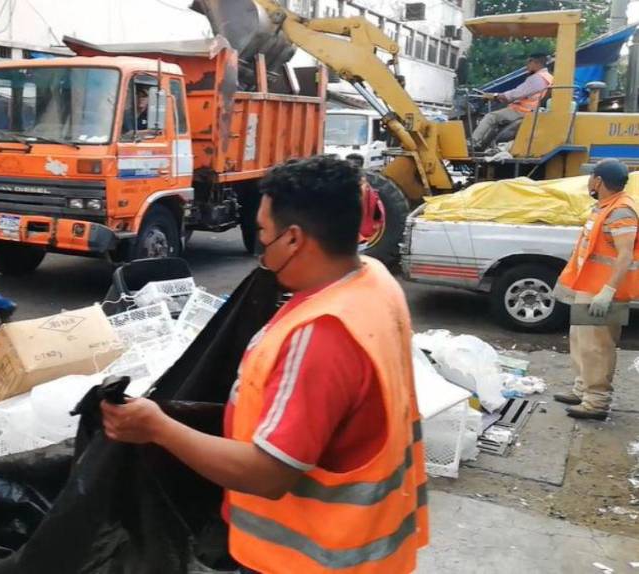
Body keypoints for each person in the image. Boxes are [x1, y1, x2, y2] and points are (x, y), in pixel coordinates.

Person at [101, 156, 428, 574]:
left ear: (293, 240)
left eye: (262, 232)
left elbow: (269, 474)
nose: (260, 245)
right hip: (370, 553)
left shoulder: (322, 334)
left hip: (307, 560)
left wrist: (158, 427)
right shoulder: (375, 281)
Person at [552, 159, 636, 421]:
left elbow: (625, 256)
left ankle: (597, 401)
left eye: (591, 177)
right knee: (581, 341)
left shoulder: (621, 211)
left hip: (604, 292)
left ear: (599, 181)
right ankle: (582, 389)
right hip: (589, 288)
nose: (588, 181)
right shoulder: (604, 207)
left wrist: (608, 290)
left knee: (598, 346)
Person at [471, 53, 553, 151]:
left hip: (523, 111)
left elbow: (516, 94)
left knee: (491, 117)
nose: (527, 66)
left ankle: (472, 143)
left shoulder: (538, 78)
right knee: (497, 117)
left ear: (536, 62)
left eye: (528, 62)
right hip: (530, 110)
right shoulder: (548, 78)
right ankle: (484, 146)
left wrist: (496, 96)